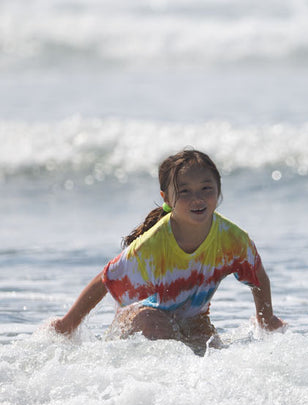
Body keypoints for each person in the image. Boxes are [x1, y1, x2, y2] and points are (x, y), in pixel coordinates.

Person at [51, 148, 284, 354]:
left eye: (206, 188)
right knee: (157, 324)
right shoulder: (153, 245)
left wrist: (267, 318)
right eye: (185, 192)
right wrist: (67, 324)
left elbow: (257, 276)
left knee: (210, 351)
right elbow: (106, 279)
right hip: (140, 316)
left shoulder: (232, 239)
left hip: (192, 319)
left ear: (219, 189)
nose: (198, 198)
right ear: (167, 198)